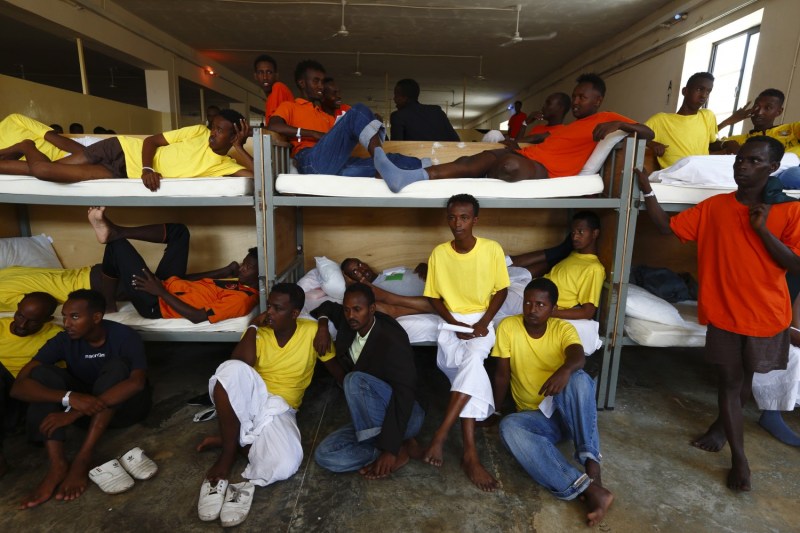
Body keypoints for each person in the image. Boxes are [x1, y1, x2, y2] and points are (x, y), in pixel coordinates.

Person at [635, 136, 800, 491]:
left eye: (755, 161)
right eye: (741, 159)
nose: (743, 166)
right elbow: (667, 227)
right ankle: (740, 460)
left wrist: (761, 230)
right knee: (729, 381)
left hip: (766, 315)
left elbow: (796, 265)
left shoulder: (789, 210)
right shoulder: (715, 207)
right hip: (724, 314)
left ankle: (721, 426)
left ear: (773, 168)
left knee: (745, 381)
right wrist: (648, 190)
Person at [195, 283, 335, 524]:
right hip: (252, 397)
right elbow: (240, 364)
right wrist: (251, 326)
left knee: (286, 464)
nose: (269, 311)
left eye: (277, 308)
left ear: (294, 313)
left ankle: (234, 439)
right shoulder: (259, 331)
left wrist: (324, 327)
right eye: (269, 305)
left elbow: (336, 369)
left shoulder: (312, 331)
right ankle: (228, 453)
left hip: (281, 406)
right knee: (228, 371)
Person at [373, 73, 654, 192]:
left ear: (598, 101)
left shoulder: (606, 118)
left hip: (546, 171)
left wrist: (621, 125)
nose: (577, 102)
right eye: (575, 96)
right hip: (528, 156)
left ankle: (432, 175)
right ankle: (414, 177)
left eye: (582, 98)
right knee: (482, 156)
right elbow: (545, 138)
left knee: (505, 163)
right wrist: (522, 138)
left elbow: (648, 132)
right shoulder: (568, 127)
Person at [11, 289, 151, 508]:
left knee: (117, 367)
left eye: (74, 317)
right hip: (86, 412)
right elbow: (18, 387)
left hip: (125, 411)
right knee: (41, 375)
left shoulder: (125, 336)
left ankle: (83, 458)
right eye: (65, 316)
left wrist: (74, 412)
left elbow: (136, 383)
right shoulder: (63, 340)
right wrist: (69, 397)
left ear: (96, 317)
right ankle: (57, 465)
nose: (67, 323)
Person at [490, 278, 613, 526]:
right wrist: (494, 410)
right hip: (536, 420)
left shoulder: (562, 329)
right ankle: (587, 489)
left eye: (540, 304)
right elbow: (502, 375)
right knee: (509, 427)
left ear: (553, 308)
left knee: (578, 379)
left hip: (567, 415)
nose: (532, 309)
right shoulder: (508, 327)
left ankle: (592, 467)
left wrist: (565, 371)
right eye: (527, 302)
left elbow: (577, 356)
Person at [0, 207, 260, 324]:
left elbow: (197, 316)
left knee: (118, 247)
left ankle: (109, 295)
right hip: (168, 285)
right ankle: (117, 230)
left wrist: (159, 292)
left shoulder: (240, 300)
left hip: (156, 303)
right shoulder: (235, 284)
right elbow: (191, 284)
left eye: (249, 268)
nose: (244, 269)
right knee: (180, 231)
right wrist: (223, 272)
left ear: (262, 276)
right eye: (246, 263)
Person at [420, 194, 509, 491]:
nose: (457, 224)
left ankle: (445, 438)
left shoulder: (492, 249)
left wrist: (482, 324)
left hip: (482, 321)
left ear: (475, 220)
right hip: (451, 322)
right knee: (471, 368)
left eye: (464, 217)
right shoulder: (439, 254)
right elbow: (433, 296)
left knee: (472, 361)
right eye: (452, 217)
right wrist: (456, 324)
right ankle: (468, 453)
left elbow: (501, 291)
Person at [311, 283, 425, 478]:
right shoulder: (350, 323)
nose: (350, 315)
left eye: (357, 309)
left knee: (353, 380)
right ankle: (392, 448)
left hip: (406, 414)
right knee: (325, 455)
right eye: (347, 310)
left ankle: (391, 449)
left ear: (372, 309)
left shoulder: (391, 338)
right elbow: (327, 307)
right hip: (373, 421)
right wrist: (322, 327)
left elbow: (404, 393)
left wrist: (390, 450)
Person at [10, 109, 254, 191]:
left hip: (121, 173)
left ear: (234, 135)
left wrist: (239, 148)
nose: (213, 132)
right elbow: (151, 141)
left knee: (42, 171)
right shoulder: (198, 132)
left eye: (220, 131)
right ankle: (27, 145)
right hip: (119, 149)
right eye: (214, 127)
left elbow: (256, 177)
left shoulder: (224, 166)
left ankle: (23, 148)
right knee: (43, 171)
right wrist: (148, 167)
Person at [268, 60, 425, 177]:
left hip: (333, 163)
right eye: (316, 81)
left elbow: (341, 141)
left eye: (322, 81)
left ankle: (429, 167)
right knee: (358, 110)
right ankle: (381, 160)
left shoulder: (325, 115)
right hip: (310, 160)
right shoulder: (291, 106)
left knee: (392, 160)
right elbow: (273, 126)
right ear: (302, 83)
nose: (321, 86)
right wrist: (313, 134)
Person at [0, 292, 61, 478]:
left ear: (48, 319)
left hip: (23, 398)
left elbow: (52, 380)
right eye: (20, 315)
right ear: (17, 307)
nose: (22, 325)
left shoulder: (56, 337)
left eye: (33, 321)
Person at [511, 211, 605, 320]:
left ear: (595, 233)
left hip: (534, 301)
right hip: (527, 289)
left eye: (580, 232)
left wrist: (549, 312)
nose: (575, 237)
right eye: (573, 232)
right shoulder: (574, 254)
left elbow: (587, 312)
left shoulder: (594, 269)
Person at [751, 276, 800, 446]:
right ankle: (771, 414)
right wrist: (791, 332)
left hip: (783, 324)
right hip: (759, 321)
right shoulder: (776, 262)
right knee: (793, 355)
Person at [719, 89, 800, 188]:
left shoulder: (792, 129)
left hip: (790, 171)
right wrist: (728, 122)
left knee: (794, 175)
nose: (759, 112)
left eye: (768, 108)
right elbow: (705, 142)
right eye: (756, 106)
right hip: (763, 177)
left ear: (779, 112)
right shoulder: (739, 139)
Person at [644, 72, 719, 168]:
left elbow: (712, 143)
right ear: (685, 91)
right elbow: (633, 136)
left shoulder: (708, 116)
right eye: (699, 89)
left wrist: (726, 144)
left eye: (708, 92)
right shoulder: (661, 120)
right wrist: (651, 143)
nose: (704, 95)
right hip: (673, 179)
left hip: (701, 176)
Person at [0, 113, 86, 175]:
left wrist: (85, 153)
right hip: (53, 165)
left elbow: (54, 138)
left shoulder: (13, 120)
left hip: (76, 147)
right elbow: (41, 168)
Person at [390, 78, 460, 142]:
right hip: (442, 155)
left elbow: (396, 148)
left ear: (405, 97)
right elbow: (455, 140)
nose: (394, 99)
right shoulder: (437, 111)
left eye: (396, 95)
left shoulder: (398, 116)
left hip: (412, 155)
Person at [254, 54, 294, 123]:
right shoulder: (270, 97)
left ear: (276, 76)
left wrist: (251, 131)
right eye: (260, 72)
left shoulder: (278, 87)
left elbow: (275, 126)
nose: (265, 77)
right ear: (255, 76)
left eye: (269, 72)